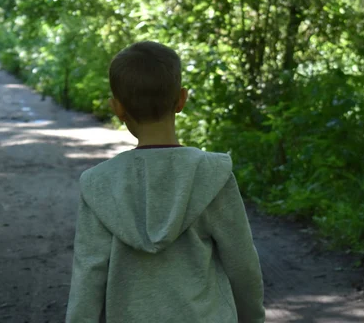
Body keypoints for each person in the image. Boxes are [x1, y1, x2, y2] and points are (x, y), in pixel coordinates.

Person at [66, 41, 265, 323]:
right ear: (181, 99)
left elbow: (88, 275)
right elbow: (243, 264)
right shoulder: (211, 174)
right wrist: (253, 319)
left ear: (117, 108)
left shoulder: (99, 184)